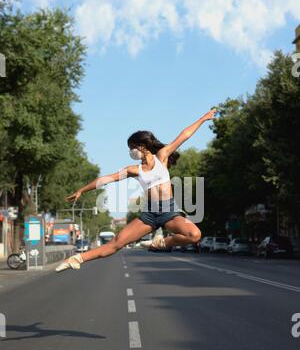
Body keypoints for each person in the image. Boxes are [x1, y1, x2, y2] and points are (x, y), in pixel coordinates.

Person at [55, 108, 217, 272]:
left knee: (194, 235)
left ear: (141, 146)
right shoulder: (135, 170)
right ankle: (75, 259)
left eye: (131, 148)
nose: (130, 152)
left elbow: (185, 135)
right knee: (117, 242)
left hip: (169, 211)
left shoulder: (162, 156)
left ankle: (161, 242)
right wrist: (82, 190)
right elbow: (106, 179)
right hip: (149, 214)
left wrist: (204, 118)